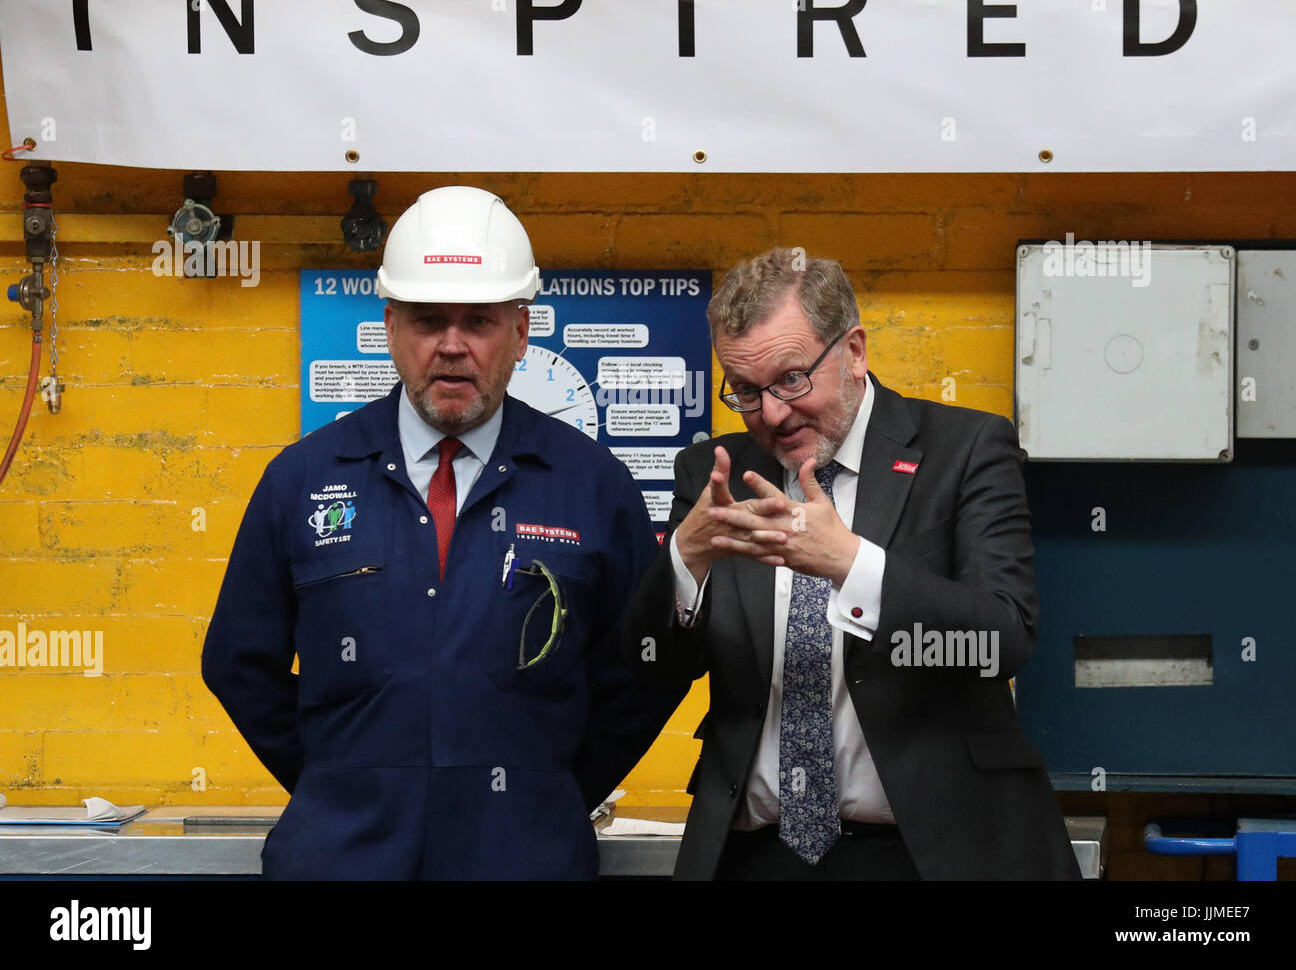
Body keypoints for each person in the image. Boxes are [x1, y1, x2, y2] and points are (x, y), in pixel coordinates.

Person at [203, 186, 672, 879]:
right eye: (429, 321)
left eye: (478, 321)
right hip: (341, 862)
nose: (452, 346)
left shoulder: (593, 486)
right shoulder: (302, 479)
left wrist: (549, 790)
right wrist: (341, 778)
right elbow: (238, 662)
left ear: (520, 331)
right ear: (391, 326)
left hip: (527, 863)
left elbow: (644, 672)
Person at [624, 247, 1080, 880]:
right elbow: (651, 666)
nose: (774, 414)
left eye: (791, 379)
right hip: (758, 853)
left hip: (928, 853)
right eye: (748, 392)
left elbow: (1000, 640)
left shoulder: (966, 449)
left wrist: (853, 565)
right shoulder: (715, 473)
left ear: (855, 350)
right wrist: (685, 562)